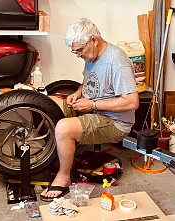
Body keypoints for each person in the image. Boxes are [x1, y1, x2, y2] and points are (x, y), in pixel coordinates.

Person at [40, 18, 139, 202]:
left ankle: (63, 176)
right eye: (75, 51)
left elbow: (132, 102)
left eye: (80, 50)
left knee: (63, 127)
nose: (78, 55)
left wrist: (92, 105)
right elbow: (89, 81)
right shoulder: (91, 55)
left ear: (93, 40)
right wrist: (78, 93)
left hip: (114, 122)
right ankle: (61, 152)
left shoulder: (117, 62)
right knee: (46, 104)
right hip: (91, 109)